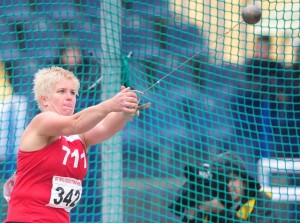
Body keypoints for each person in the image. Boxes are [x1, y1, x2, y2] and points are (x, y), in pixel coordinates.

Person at [3, 66, 143, 223]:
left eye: (73, 93)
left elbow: (104, 128)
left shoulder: (79, 137)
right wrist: (109, 105)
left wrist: (123, 113)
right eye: (61, 91)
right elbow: (75, 123)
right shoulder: (42, 121)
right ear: (44, 99)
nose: (69, 97)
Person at [169, 152, 279, 222]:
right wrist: (191, 216)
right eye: (224, 180)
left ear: (244, 182)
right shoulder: (208, 199)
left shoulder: (261, 200)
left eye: (233, 179)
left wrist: (221, 212)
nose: (229, 185)